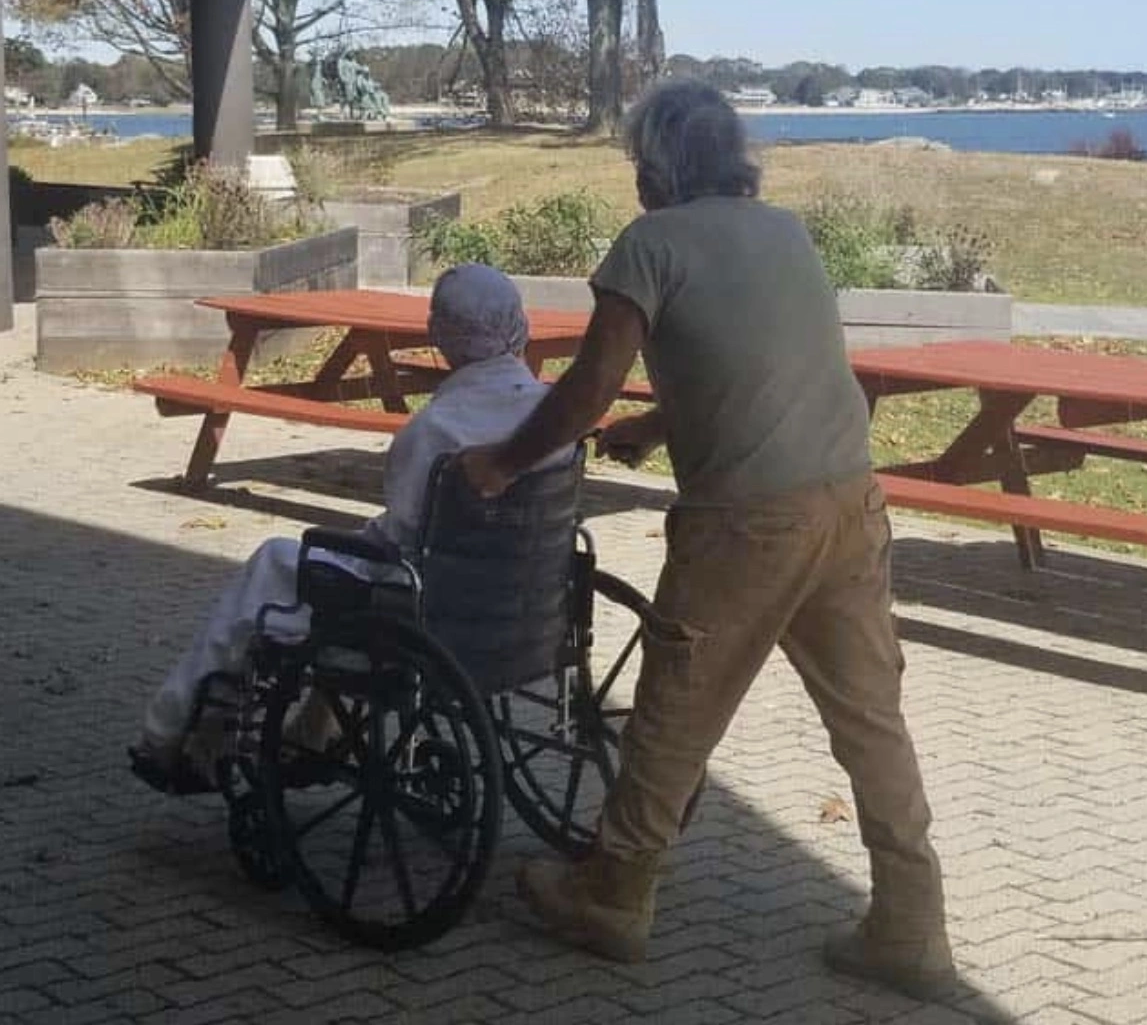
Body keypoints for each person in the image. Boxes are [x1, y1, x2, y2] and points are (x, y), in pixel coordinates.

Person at [460, 80, 955, 1002]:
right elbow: (765, 365)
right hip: (850, 501)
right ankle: (911, 925)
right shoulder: (787, 232)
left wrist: (499, 462)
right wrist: (657, 431)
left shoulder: (650, 245)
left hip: (746, 526)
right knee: (870, 720)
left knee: (673, 711)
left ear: (654, 168)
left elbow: (583, 393)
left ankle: (613, 894)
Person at [130, 263, 568, 794]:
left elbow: (404, 528)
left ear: (438, 336)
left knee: (277, 563)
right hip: (521, 598)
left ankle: (171, 732)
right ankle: (317, 731)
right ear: (518, 324)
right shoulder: (554, 416)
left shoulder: (438, 428)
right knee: (343, 570)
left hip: (427, 608)